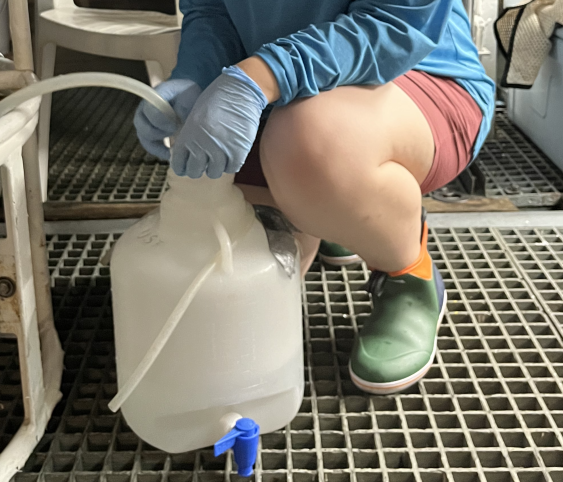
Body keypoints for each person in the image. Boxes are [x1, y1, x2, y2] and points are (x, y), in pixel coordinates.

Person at [133, 0, 495, 395]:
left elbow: (397, 23)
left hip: (411, 74)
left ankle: (407, 272)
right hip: (272, 87)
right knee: (227, 261)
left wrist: (263, 76)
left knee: (312, 146)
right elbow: (213, 8)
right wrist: (196, 75)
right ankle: (341, 216)